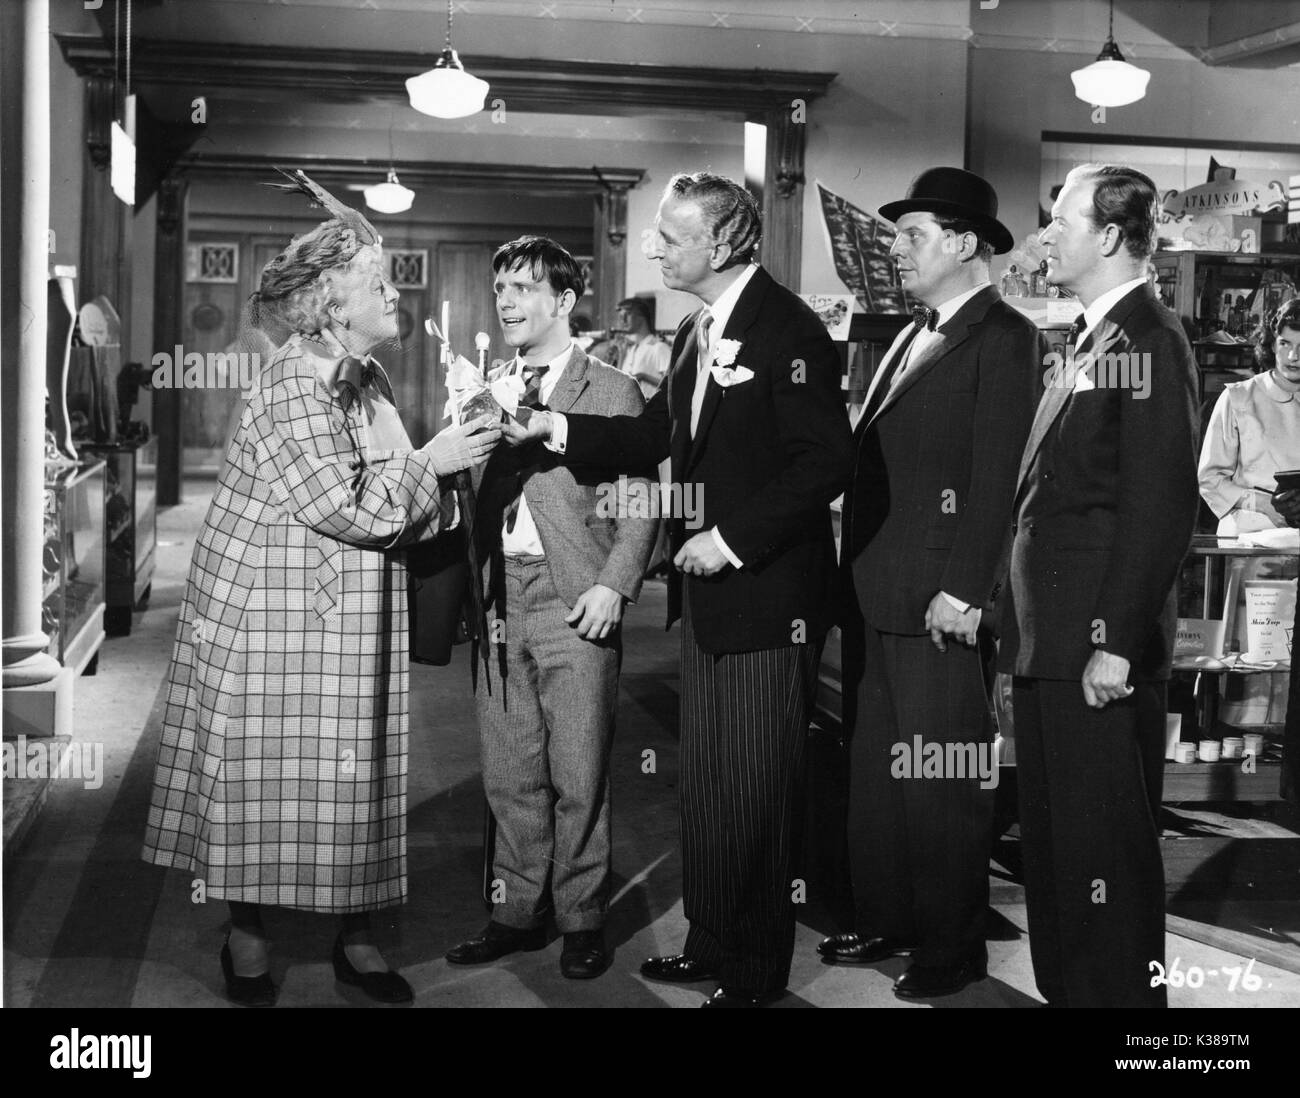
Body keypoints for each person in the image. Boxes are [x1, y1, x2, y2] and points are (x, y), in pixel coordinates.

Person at [141, 178, 500, 1006]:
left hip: (339, 613)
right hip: (271, 619)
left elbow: (388, 491)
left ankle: (357, 934)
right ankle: (248, 934)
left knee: (355, 772)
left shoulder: (358, 377)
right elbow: (343, 503)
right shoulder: (296, 382)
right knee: (262, 778)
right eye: (376, 283)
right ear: (330, 308)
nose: (392, 292)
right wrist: (438, 460)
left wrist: (457, 461)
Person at [504, 171, 854, 1007]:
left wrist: (728, 540)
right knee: (711, 787)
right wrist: (557, 425)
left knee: (757, 789)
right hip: (715, 610)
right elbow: (658, 432)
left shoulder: (789, 329)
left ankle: (754, 969)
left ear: (725, 243)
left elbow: (825, 461)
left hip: (769, 604)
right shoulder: (702, 329)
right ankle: (712, 941)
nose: (653, 246)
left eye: (670, 234)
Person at [822, 168, 1043, 998]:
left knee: (942, 779)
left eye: (911, 236)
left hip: (939, 603)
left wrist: (965, 591)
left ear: (961, 242)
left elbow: (996, 480)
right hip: (880, 592)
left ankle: (952, 949)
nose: (896, 250)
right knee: (881, 773)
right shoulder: (915, 332)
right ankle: (892, 916)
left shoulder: (1006, 337)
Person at [1000, 163, 1200, 1007]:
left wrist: (1115, 644)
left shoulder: (1151, 338)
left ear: (1112, 236)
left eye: (1061, 221)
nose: (1045, 236)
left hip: (1096, 655)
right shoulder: (1090, 339)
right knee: (1054, 852)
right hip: (1052, 645)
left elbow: (1158, 507)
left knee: (1105, 859)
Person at [444, 237, 657, 978]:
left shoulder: (610, 390)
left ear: (564, 302)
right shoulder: (486, 383)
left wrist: (616, 583)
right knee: (508, 770)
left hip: (576, 597)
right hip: (500, 596)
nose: (506, 300)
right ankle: (513, 909)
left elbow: (641, 498)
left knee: (578, 768)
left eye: (525, 288)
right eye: (500, 286)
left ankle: (581, 919)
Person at [1198, 298, 1300, 536]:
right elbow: (1210, 479)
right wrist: (1262, 505)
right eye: (1285, 343)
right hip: (1251, 536)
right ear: (1272, 345)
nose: (1294, 356)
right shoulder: (1238, 398)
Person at [614, 296, 671, 400]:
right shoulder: (630, 350)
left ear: (641, 317)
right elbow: (618, 385)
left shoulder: (658, 348)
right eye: (621, 316)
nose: (623, 320)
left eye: (628, 314)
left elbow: (673, 386)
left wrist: (644, 376)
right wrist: (621, 355)